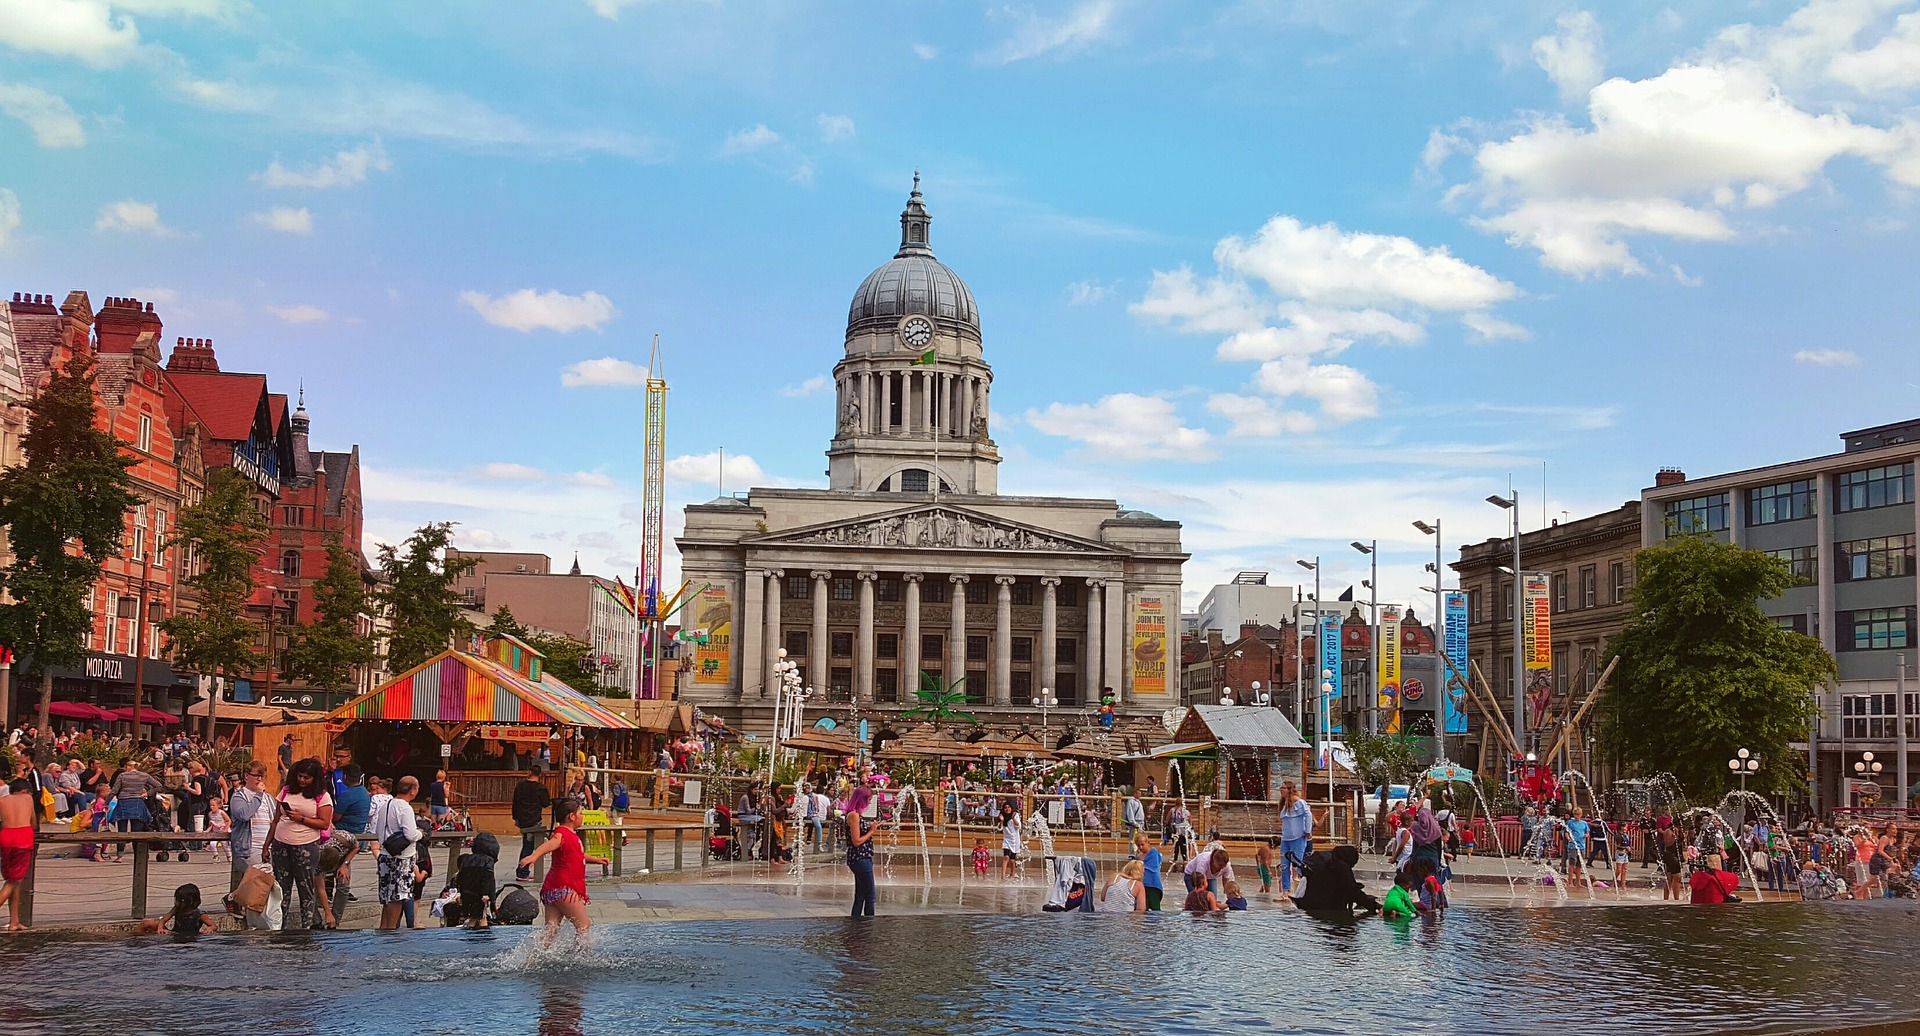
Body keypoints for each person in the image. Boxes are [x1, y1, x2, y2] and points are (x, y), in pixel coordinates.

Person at [520, 797, 609, 948]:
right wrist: (534, 855)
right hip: (564, 888)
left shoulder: (570, 836)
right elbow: (550, 844)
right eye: (581, 813)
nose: (583, 817)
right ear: (572, 816)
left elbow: (578, 855)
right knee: (584, 926)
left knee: (551, 930)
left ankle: (534, 958)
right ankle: (580, 958)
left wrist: (596, 859)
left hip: (552, 888)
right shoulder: (561, 834)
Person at [266, 757, 334, 931]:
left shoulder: (322, 796)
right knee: (282, 888)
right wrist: (267, 845)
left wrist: (301, 819)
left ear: (315, 779)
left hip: (305, 845)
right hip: (281, 843)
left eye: (307, 778)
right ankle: (279, 926)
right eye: (300, 776)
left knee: (306, 887)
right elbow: (275, 820)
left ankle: (307, 927)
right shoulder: (286, 791)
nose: (302, 780)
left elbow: (324, 823)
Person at [371, 775, 423, 931]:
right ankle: (391, 931)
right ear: (413, 790)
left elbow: (379, 832)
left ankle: (383, 927)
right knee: (398, 896)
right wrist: (421, 833)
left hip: (385, 854)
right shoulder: (405, 807)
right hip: (402, 857)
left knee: (387, 896)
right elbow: (410, 834)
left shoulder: (385, 805)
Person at [1291, 845, 1381, 914]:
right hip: (1326, 909)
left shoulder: (1327, 864)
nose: (1352, 866)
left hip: (1309, 905)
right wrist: (1373, 906)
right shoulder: (1342, 868)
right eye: (1353, 864)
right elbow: (1352, 891)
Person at [108, 759, 165, 862]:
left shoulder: (122, 776)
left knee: (122, 832)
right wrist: (147, 793)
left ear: (127, 767)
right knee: (137, 832)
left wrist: (106, 802)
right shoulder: (144, 775)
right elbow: (159, 786)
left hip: (123, 803)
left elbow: (114, 791)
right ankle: (138, 855)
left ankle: (120, 856)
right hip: (137, 803)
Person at [0, 772, 35, 931]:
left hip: (6, 837)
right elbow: (33, 822)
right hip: (23, 838)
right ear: (25, 791)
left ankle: (14, 921)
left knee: (14, 879)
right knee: (13, 881)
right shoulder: (28, 799)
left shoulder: (2, 800)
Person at [512, 771, 553, 880]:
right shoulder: (540, 788)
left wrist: (515, 818)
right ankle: (522, 871)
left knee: (527, 843)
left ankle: (523, 870)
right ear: (539, 775)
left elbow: (515, 803)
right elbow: (545, 803)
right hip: (534, 819)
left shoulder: (520, 786)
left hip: (522, 819)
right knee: (529, 845)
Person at [139, 883, 215, 939]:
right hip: (174, 933)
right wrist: (160, 929)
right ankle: (135, 936)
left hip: (191, 936)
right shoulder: (177, 909)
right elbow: (164, 919)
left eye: (180, 901)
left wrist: (210, 928)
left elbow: (213, 925)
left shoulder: (200, 914)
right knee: (147, 923)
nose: (177, 903)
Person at [1277, 781, 1313, 896]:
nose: (1281, 790)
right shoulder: (1284, 804)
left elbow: (1308, 814)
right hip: (1285, 839)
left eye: (1283, 788)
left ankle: (1306, 889)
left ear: (1289, 789)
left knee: (1298, 865)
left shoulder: (1299, 802)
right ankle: (1285, 892)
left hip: (1297, 838)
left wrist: (1308, 830)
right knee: (1284, 865)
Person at [846, 786, 877, 917]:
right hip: (860, 858)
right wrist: (871, 831)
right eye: (868, 799)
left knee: (861, 895)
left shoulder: (857, 815)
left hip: (863, 858)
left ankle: (856, 924)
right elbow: (856, 841)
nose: (870, 802)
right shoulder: (854, 815)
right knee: (870, 896)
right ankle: (868, 924)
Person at [1134, 832, 1165, 911]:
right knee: (1143, 907)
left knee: (1155, 909)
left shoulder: (1153, 852)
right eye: (1138, 845)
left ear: (1148, 843)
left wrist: (1140, 865)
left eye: (1142, 844)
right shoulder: (1139, 856)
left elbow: (1153, 867)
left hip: (1153, 885)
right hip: (1143, 886)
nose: (1140, 847)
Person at [1564, 808, 1591, 890]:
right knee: (1572, 864)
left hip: (1581, 846)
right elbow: (1566, 832)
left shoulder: (1584, 823)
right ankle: (1570, 882)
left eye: (1578, 815)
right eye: (1575, 815)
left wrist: (1586, 835)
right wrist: (1569, 839)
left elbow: (1587, 832)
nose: (1576, 816)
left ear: (1581, 815)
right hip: (1573, 846)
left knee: (1579, 865)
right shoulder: (1570, 823)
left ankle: (1578, 882)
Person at [1660, 824, 1684, 901]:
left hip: (1676, 856)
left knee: (1670, 878)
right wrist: (1674, 836)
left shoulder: (1679, 831)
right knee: (1677, 877)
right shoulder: (1668, 831)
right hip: (1671, 856)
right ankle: (1676, 898)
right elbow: (1667, 843)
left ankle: (1666, 898)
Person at [1001, 806, 1023, 879]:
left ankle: (1012, 873)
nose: (1007, 809)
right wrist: (1001, 821)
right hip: (1006, 839)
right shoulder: (1002, 816)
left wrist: (1013, 818)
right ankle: (1003, 875)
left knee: (1012, 860)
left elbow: (1018, 826)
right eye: (1005, 808)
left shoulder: (1015, 815)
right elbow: (999, 828)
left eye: (1009, 807)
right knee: (1006, 857)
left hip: (1015, 840)